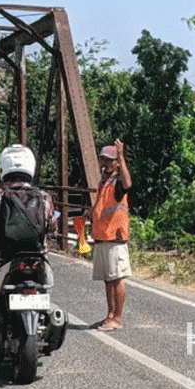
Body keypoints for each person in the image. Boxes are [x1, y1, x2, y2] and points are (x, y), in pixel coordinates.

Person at [0, 144, 58, 317]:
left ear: (3, 167)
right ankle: (45, 312)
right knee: (46, 280)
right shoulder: (44, 197)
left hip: (3, 256)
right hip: (37, 255)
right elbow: (53, 231)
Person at [90, 139, 132, 332]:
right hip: (102, 237)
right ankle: (110, 315)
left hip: (114, 237)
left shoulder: (117, 182)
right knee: (108, 279)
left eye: (110, 161)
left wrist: (122, 157)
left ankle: (118, 318)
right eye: (103, 160)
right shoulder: (104, 182)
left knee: (117, 278)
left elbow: (128, 183)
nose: (106, 164)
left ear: (116, 163)